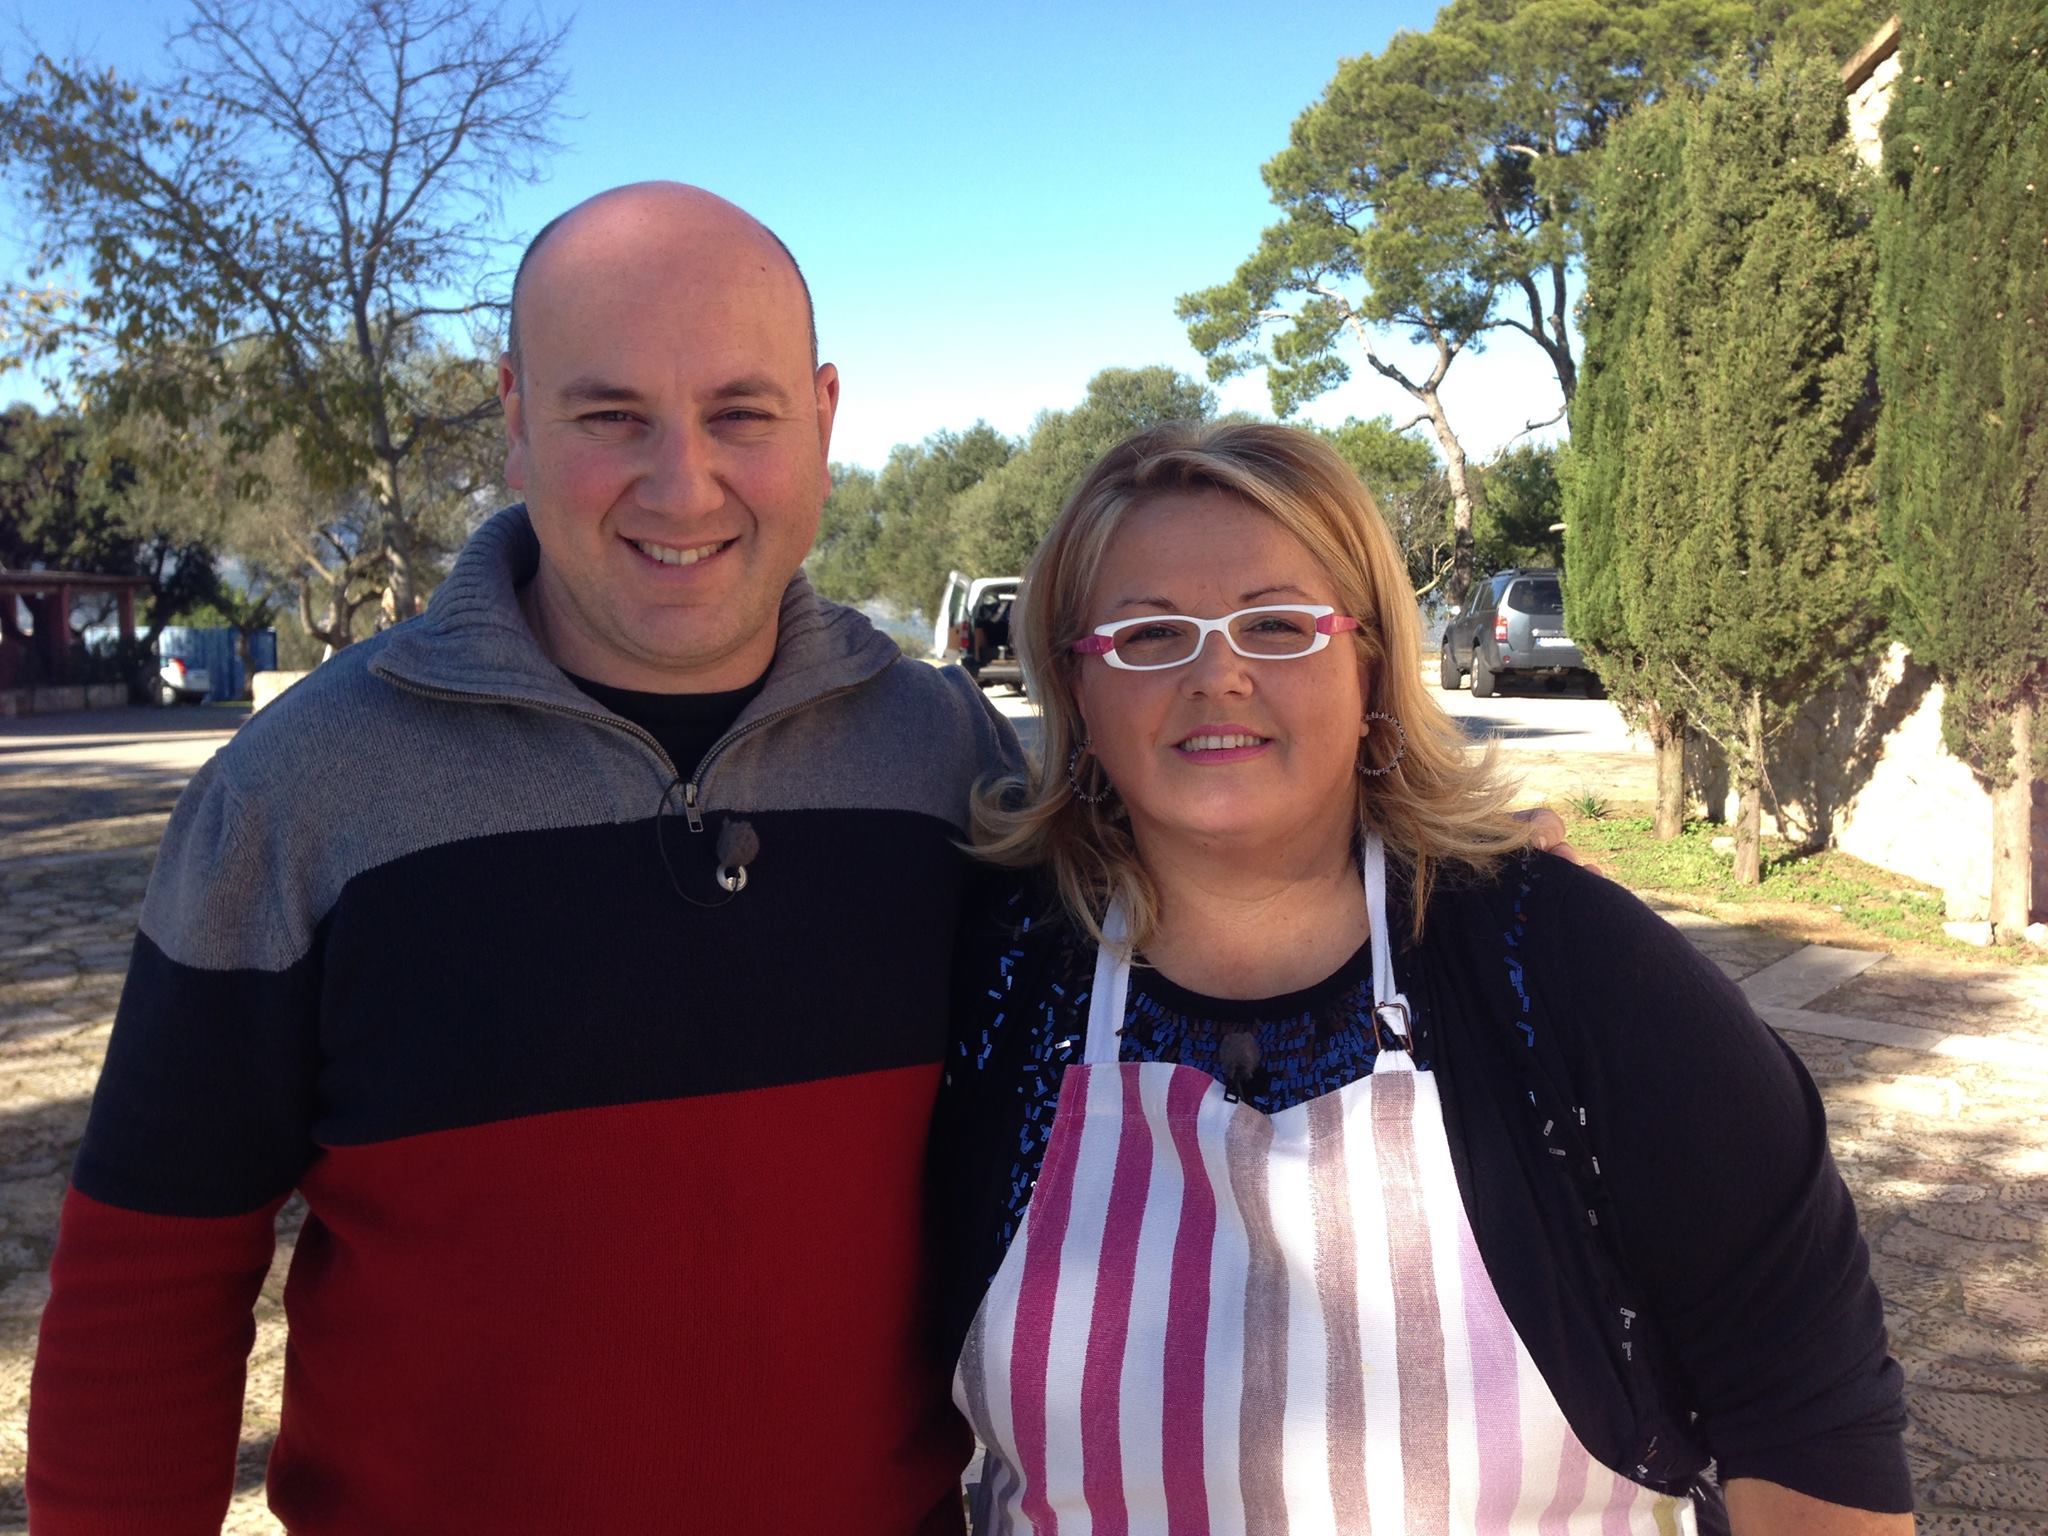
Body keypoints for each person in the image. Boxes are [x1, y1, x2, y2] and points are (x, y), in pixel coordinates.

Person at [28, 183, 1018, 1534]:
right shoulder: (298, 794)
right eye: (610, 417)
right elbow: (148, 1291)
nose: (684, 482)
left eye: (742, 413)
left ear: (827, 420)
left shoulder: (951, 761)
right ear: (513, 420)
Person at [932, 422, 1912, 1534]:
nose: (1219, 674)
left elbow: (1804, 1408)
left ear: (1367, 661)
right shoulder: (993, 987)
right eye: (1150, 634)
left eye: (1276, 624)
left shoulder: (1557, 962)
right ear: (1074, 682)